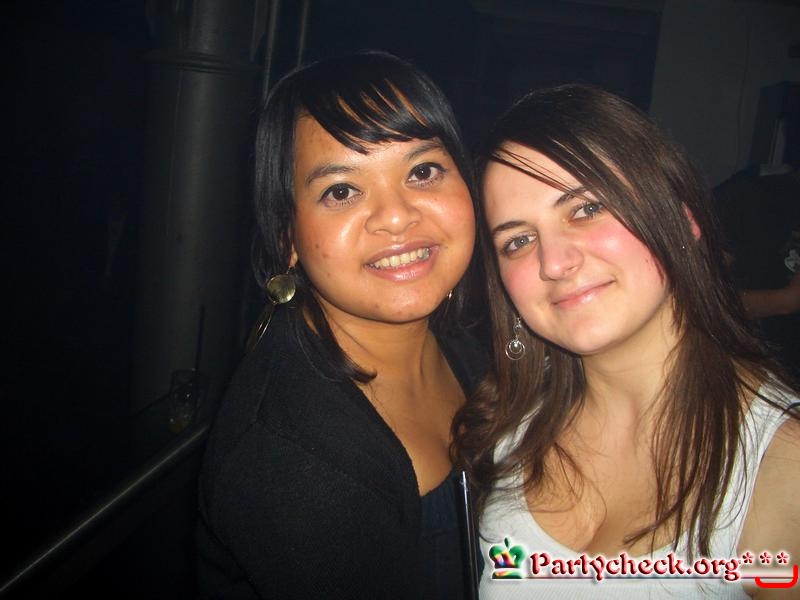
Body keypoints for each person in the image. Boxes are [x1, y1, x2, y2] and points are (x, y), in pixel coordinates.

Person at [454, 84, 800, 598]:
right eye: (518, 240)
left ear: (682, 218)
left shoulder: (781, 469)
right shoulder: (506, 427)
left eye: (586, 209)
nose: (554, 262)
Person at [195, 51, 485, 599]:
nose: (396, 216)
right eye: (342, 191)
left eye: (423, 171)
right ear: (288, 237)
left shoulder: (461, 343)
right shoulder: (295, 465)